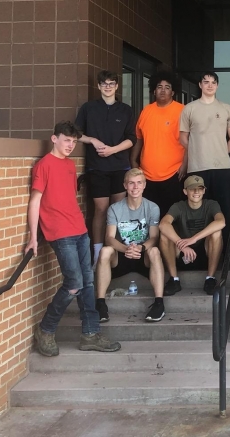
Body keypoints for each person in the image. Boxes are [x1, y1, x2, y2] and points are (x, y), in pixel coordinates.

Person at [25, 121, 121, 357]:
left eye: (74, 142)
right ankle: (46, 330)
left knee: (87, 283)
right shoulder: (43, 165)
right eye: (66, 140)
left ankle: (90, 334)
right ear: (54, 138)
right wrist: (32, 237)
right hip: (59, 233)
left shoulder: (69, 165)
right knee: (74, 284)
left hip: (79, 230)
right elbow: (35, 201)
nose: (70, 145)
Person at [75, 70, 137, 266]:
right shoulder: (89, 108)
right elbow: (77, 133)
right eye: (104, 84)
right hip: (97, 167)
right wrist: (92, 139)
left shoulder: (126, 110)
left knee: (118, 210)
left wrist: (113, 150)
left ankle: (115, 255)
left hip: (119, 166)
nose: (108, 86)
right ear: (99, 86)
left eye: (111, 83)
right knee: (100, 210)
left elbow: (131, 139)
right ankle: (97, 254)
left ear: (117, 86)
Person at [94, 169, 165, 323]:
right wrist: (126, 249)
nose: (135, 187)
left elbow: (154, 237)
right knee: (105, 251)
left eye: (139, 183)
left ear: (144, 185)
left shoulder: (152, 208)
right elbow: (109, 238)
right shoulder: (115, 208)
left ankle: (159, 303)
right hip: (122, 255)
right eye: (131, 183)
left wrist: (141, 248)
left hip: (143, 254)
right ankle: (100, 304)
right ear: (125, 185)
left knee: (155, 251)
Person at [179, 71, 230, 223]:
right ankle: (199, 246)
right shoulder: (189, 108)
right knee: (199, 209)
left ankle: (226, 246)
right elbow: (183, 138)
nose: (210, 85)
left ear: (217, 86)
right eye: (206, 82)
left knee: (224, 208)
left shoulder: (227, 109)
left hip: (222, 167)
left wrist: (219, 153)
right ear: (200, 85)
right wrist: (198, 150)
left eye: (213, 82)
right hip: (197, 167)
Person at [130, 70, 186, 221]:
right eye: (159, 86)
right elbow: (139, 138)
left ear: (173, 91)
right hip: (147, 175)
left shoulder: (182, 111)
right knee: (150, 218)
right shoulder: (146, 111)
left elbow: (190, 141)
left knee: (171, 218)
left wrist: (185, 165)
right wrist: (133, 160)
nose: (163, 90)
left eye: (167, 87)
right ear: (154, 90)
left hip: (173, 174)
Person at [159, 175, 226, 296]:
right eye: (192, 189)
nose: (196, 192)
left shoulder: (211, 204)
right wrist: (182, 244)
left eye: (200, 188)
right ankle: (174, 279)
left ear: (204, 190)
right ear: (185, 191)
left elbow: (221, 222)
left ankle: (210, 278)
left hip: (205, 252)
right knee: (165, 235)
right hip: (182, 252)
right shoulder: (179, 206)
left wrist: (194, 239)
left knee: (216, 232)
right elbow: (163, 224)